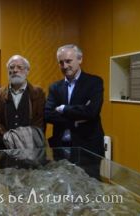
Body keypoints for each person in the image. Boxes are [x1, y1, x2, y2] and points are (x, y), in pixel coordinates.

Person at [44, 44, 105, 178]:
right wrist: (76, 120)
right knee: (63, 190)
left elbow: (91, 111)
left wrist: (64, 109)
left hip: (88, 148)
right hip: (61, 148)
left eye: (68, 61)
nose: (65, 66)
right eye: (61, 62)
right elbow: (48, 115)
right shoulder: (55, 87)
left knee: (89, 190)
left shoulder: (94, 82)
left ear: (80, 59)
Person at [0, 55, 46, 167]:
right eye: (11, 67)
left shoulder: (38, 93)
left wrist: (26, 142)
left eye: (20, 67)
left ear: (27, 70)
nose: (15, 70)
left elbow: (40, 121)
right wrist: (7, 139)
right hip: (6, 152)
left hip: (32, 153)